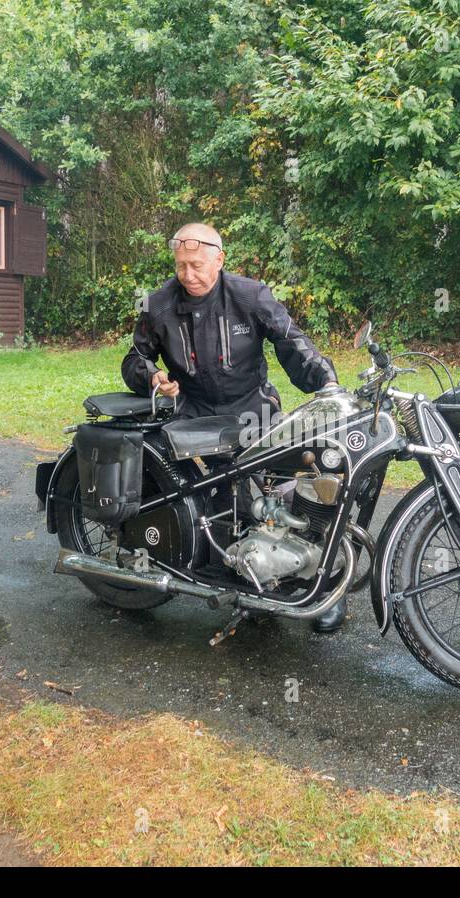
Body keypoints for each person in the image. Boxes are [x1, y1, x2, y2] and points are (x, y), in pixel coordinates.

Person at [120, 222, 346, 633]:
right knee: (226, 497)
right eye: (181, 265)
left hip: (253, 409)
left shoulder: (251, 295)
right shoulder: (157, 305)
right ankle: (248, 579)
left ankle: (325, 587)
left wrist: (325, 382)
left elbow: (291, 342)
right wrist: (153, 377)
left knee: (303, 487)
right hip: (194, 414)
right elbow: (133, 359)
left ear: (219, 259)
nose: (188, 274)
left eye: (197, 265)